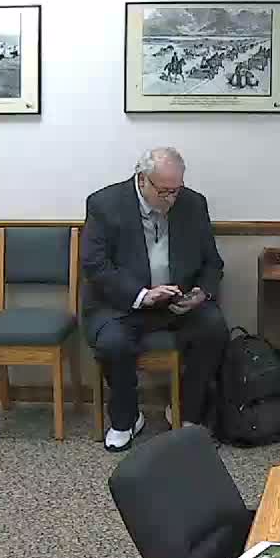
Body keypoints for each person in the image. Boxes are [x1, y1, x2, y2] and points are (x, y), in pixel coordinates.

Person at [81, 147, 228, 452]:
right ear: (142, 179)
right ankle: (126, 418)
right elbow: (95, 265)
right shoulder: (104, 204)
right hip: (121, 303)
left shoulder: (193, 204)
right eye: (164, 192)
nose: (171, 199)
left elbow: (212, 263)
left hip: (177, 302)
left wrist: (201, 293)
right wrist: (142, 296)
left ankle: (186, 411)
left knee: (214, 329)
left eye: (176, 190)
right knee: (112, 343)